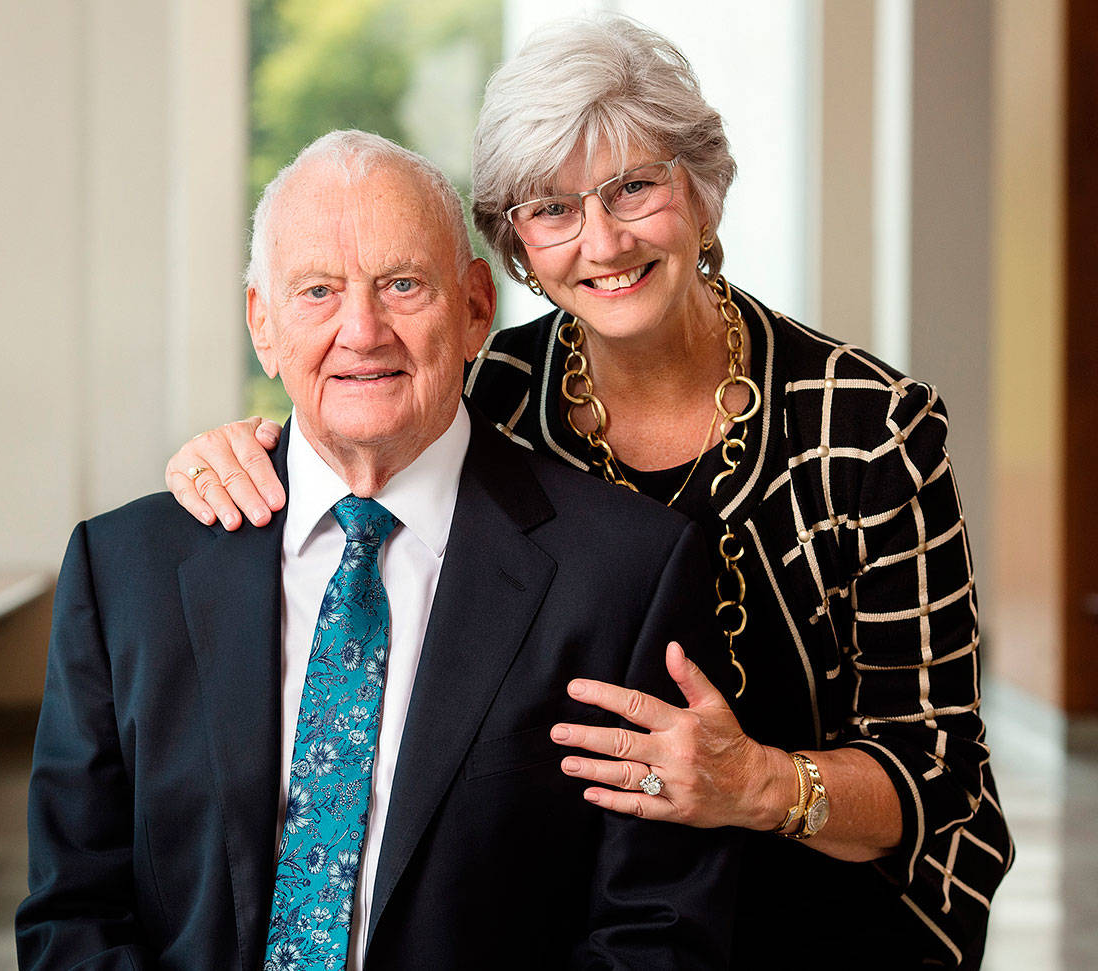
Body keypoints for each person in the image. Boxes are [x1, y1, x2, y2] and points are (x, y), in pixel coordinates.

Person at [162, 15, 1013, 970]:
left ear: (699, 192)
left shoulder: (870, 430)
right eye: (553, 209)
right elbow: (348, 439)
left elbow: (937, 779)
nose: (601, 240)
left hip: (826, 929)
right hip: (591, 929)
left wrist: (763, 784)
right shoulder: (489, 400)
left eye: (634, 187)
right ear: (515, 250)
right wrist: (243, 455)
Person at [16, 130, 738, 970]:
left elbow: (655, 934)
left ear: (475, 309)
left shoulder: (625, 575)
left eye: (402, 285)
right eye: (317, 291)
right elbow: (71, 914)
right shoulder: (124, 570)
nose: (361, 331)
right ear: (263, 323)